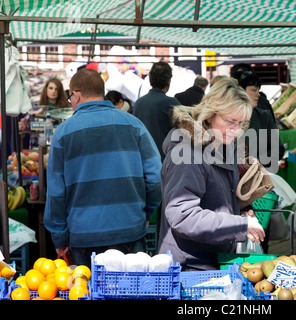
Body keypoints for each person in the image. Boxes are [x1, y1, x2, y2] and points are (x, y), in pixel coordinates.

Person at [44, 68, 162, 266]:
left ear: (77, 94)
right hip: (131, 230)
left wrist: (60, 237)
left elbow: (56, 192)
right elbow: (156, 176)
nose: (71, 101)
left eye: (70, 96)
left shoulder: (63, 133)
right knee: (133, 294)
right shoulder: (134, 125)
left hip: (84, 236)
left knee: (89, 295)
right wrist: (146, 213)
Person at [158, 77, 265, 271]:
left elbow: (218, 201)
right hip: (188, 267)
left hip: (214, 260)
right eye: (230, 121)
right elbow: (182, 216)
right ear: (209, 115)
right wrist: (239, 225)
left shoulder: (224, 147)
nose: (236, 130)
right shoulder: (187, 155)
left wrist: (242, 213)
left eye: (242, 123)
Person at [233, 71, 285, 173]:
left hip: (259, 177)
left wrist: (256, 162)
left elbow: (278, 149)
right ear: (241, 91)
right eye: (253, 90)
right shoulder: (229, 118)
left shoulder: (264, 117)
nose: (258, 95)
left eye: (258, 90)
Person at [133, 61, 180, 162]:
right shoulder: (171, 103)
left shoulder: (138, 103)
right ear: (169, 80)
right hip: (166, 160)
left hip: (143, 159)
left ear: (150, 79)